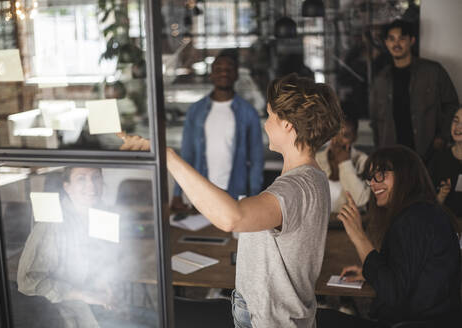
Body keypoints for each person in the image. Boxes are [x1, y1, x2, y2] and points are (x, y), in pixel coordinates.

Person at [119, 73, 344, 327]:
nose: (266, 124)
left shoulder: (295, 187)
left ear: (288, 125)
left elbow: (232, 218)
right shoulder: (312, 177)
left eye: (270, 116)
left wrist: (169, 156)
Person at [317, 146, 461, 328]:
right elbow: (409, 276)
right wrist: (369, 272)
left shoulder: (413, 219)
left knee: (317, 319)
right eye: (370, 177)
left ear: (405, 175)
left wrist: (359, 236)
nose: (373, 184)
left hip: (415, 323)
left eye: (381, 174)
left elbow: (393, 294)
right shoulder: (425, 213)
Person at [17, 167, 156, 328]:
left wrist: (105, 284)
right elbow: (27, 282)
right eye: (81, 179)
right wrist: (83, 295)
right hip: (69, 313)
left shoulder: (103, 214)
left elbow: (104, 263)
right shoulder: (52, 223)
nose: (91, 185)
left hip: (100, 304)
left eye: (96, 177)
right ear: (67, 187)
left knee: (160, 319)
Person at [171, 50, 264, 211]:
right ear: (211, 75)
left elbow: (256, 159)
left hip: (236, 193)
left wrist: (255, 196)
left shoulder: (248, 113)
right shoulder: (196, 111)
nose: (224, 73)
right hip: (201, 192)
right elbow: (187, 155)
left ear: (236, 75)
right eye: (219, 69)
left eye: (229, 69)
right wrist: (178, 193)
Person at [369, 19, 459, 160]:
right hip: (393, 156)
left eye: (402, 39)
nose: (396, 44)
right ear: (386, 43)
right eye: (391, 39)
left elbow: (452, 104)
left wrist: (443, 137)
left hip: (428, 152)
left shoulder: (433, 72)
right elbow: (375, 120)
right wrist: (379, 150)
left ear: (412, 41)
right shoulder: (381, 80)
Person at [316, 116, 369, 213]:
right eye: (334, 134)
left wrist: (345, 163)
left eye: (345, 135)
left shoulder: (362, 161)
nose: (337, 141)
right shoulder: (316, 160)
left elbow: (361, 202)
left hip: (345, 226)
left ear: (355, 137)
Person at [429, 107, 462, 218]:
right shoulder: (439, 159)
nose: (458, 127)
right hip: (446, 225)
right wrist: (442, 195)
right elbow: (428, 207)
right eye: (455, 121)